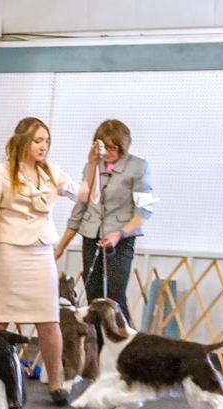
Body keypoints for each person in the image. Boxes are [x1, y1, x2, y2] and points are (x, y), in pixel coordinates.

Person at [0, 117, 100, 406]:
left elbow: (87, 196)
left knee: (49, 321)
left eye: (47, 141)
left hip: (41, 253)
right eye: (38, 140)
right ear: (23, 141)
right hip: (8, 253)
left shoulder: (51, 171)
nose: (44, 146)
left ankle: (57, 383)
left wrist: (92, 164)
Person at [54, 119, 154, 317]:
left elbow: (144, 212)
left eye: (112, 148)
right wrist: (60, 247)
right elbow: (80, 208)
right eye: (102, 147)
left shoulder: (138, 167)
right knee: (94, 299)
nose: (106, 153)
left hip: (120, 241)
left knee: (115, 298)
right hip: (91, 239)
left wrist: (120, 234)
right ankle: (97, 347)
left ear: (123, 146)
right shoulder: (91, 166)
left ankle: (126, 347)